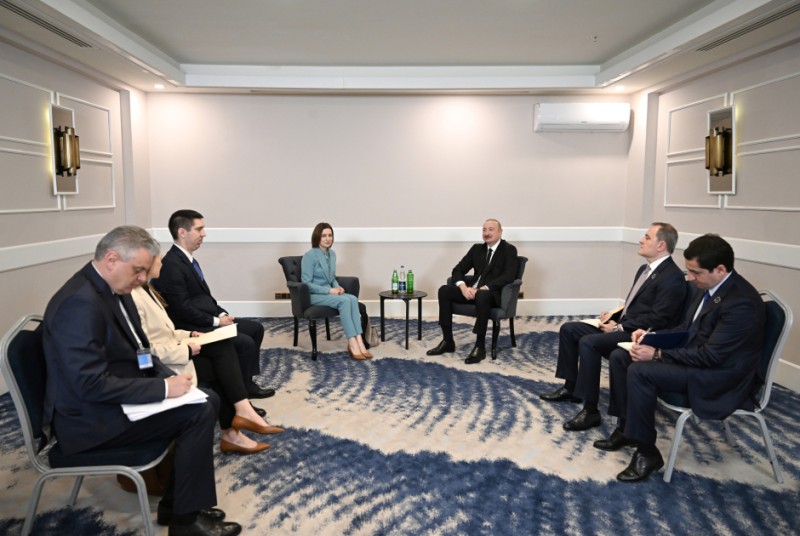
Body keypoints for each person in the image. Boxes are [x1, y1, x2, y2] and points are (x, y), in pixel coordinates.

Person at [42, 226, 241, 536]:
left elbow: (140, 350)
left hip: (113, 398)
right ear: (111, 259)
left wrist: (167, 379)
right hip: (88, 420)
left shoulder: (111, 289)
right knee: (199, 411)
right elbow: (88, 385)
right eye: (138, 270)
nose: (143, 279)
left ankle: (176, 506)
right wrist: (162, 388)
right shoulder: (79, 304)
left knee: (205, 398)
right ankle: (184, 522)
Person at [596, 234, 765, 483]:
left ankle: (647, 452)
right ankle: (627, 429)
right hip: (699, 359)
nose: (690, 278)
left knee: (641, 371)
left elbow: (712, 356)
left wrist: (657, 353)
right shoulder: (707, 288)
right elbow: (687, 330)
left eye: (696, 272)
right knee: (622, 356)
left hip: (720, 375)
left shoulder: (742, 303)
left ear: (720, 269)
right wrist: (651, 337)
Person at [539, 223, 687, 431]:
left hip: (637, 335)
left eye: (646, 237)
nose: (641, 240)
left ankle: (590, 410)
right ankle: (571, 387)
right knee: (569, 329)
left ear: (661, 245)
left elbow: (659, 318)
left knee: (589, 343)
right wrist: (614, 315)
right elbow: (635, 305)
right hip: (624, 325)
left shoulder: (672, 277)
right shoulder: (644, 270)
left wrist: (618, 328)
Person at [133, 253, 283, 455]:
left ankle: (240, 417)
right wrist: (186, 349)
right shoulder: (134, 297)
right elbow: (144, 350)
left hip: (178, 345)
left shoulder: (147, 290)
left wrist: (189, 334)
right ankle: (235, 426)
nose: (162, 261)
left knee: (222, 345)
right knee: (222, 365)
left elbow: (167, 331)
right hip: (166, 363)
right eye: (158, 258)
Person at [152, 209, 274, 401]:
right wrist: (217, 322)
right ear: (182, 232)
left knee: (255, 329)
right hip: (192, 326)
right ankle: (239, 394)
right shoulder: (171, 265)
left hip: (206, 318)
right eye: (199, 229)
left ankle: (246, 383)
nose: (204, 234)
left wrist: (222, 314)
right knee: (244, 342)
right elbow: (182, 309)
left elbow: (205, 297)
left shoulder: (188, 260)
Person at [426, 219, 518, 364]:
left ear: (500, 232)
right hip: (471, 291)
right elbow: (458, 270)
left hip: (492, 295)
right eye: (484, 230)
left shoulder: (509, 250)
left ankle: (480, 347)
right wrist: (463, 287)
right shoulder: (477, 249)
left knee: (482, 295)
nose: (487, 233)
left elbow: (509, 276)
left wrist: (483, 288)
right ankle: (448, 341)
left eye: (491, 229)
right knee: (444, 290)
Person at [301, 222, 371, 360]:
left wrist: (338, 287)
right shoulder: (310, 255)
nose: (328, 239)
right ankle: (352, 342)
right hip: (314, 295)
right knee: (344, 301)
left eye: (330, 235)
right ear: (317, 237)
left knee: (352, 298)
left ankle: (359, 340)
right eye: (324, 236)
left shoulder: (332, 254)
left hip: (330, 292)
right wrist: (330, 290)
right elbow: (306, 284)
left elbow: (332, 277)